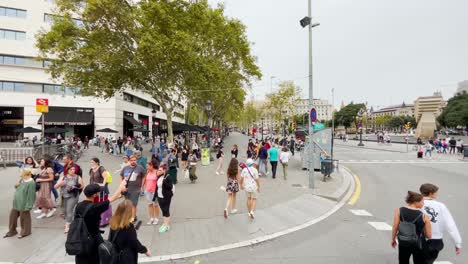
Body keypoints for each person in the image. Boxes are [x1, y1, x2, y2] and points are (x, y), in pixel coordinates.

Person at [74, 182, 127, 264]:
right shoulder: (95, 208)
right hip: (92, 241)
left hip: (80, 239)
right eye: (98, 192)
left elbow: (109, 200)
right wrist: (121, 185)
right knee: (95, 259)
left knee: (81, 259)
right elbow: (111, 199)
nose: (99, 193)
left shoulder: (79, 205)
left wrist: (117, 197)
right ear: (95, 194)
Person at [419, 183, 462, 263]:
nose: (437, 194)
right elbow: (450, 225)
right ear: (431, 193)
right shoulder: (440, 206)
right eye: (436, 193)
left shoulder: (416, 204)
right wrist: (457, 243)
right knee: (429, 260)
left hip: (419, 239)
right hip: (435, 240)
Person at [391, 191, 432, 264]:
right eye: (422, 202)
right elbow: (429, 235)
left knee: (403, 261)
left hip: (403, 242)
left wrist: (393, 239)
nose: (423, 204)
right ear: (416, 202)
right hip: (418, 244)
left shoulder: (399, 210)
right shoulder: (424, 216)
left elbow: (395, 227)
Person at [4, 170, 36, 239]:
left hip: (24, 203)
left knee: (24, 218)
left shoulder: (31, 183)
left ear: (27, 174)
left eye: (22, 174)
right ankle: (12, 231)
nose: (21, 176)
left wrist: (29, 205)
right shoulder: (22, 179)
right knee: (12, 217)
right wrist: (16, 185)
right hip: (16, 202)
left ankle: (26, 232)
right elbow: (17, 187)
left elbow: (31, 195)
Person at [55, 166, 83, 233]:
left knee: (69, 210)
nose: (73, 170)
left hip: (73, 196)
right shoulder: (63, 177)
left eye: (74, 169)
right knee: (64, 211)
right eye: (71, 169)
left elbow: (82, 186)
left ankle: (68, 225)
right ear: (67, 170)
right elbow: (55, 187)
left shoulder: (77, 177)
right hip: (63, 196)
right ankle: (69, 221)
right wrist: (60, 183)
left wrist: (75, 187)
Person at [120, 155, 145, 222]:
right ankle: (131, 215)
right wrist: (122, 186)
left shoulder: (140, 168)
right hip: (127, 189)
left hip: (136, 189)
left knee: (133, 204)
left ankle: (133, 218)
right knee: (128, 203)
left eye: (134, 160)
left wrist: (142, 186)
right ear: (129, 161)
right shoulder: (125, 168)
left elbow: (144, 176)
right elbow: (121, 176)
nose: (133, 162)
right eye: (132, 160)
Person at [153, 164, 173, 233]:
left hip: (166, 196)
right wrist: (155, 196)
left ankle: (166, 225)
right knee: (163, 209)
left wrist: (164, 182)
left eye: (160, 170)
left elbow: (170, 187)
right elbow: (156, 187)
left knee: (166, 209)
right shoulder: (159, 177)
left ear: (164, 170)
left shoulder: (168, 177)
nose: (158, 171)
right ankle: (164, 223)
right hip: (159, 196)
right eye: (158, 170)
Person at [142, 159, 160, 225]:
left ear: (152, 166)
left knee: (155, 205)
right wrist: (142, 187)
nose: (147, 167)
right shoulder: (147, 172)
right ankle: (151, 218)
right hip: (148, 191)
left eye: (148, 166)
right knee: (149, 204)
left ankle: (156, 218)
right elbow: (145, 179)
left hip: (155, 191)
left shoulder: (157, 172)